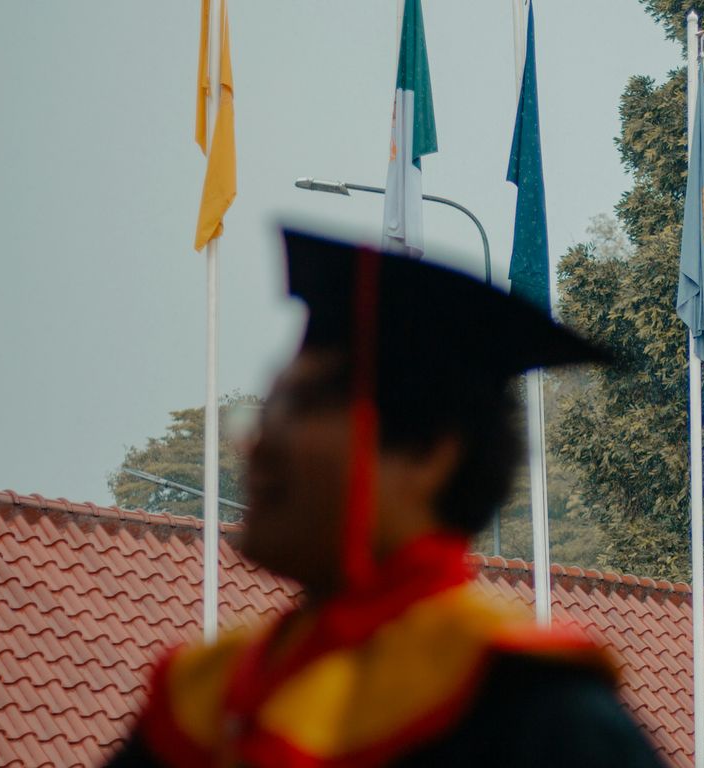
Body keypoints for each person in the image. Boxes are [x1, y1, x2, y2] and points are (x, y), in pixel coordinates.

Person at [104, 229, 666, 767]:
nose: (257, 444)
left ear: (427, 453)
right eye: (267, 411)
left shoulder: (536, 713)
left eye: (303, 408)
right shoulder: (201, 703)